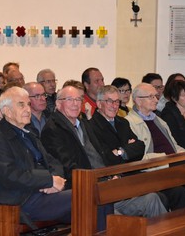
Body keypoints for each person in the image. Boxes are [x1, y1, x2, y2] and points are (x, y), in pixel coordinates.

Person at [41, 85, 167, 230]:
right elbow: (69, 166)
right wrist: (103, 179)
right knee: (119, 221)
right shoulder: (53, 130)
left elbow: (104, 155)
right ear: (58, 103)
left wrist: (112, 175)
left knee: (153, 199)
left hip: (107, 183)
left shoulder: (83, 125)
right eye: (70, 99)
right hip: (85, 191)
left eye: (78, 99)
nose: (76, 104)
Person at [0, 86, 71, 226]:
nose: (27, 109)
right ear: (7, 111)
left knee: (95, 197)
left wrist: (54, 182)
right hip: (21, 200)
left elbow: (52, 161)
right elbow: (9, 175)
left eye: (28, 104)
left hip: (42, 193)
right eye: (21, 105)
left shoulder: (28, 132)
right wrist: (48, 180)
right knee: (86, 196)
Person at [125, 83, 185, 207]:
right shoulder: (128, 123)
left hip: (172, 165)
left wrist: (184, 155)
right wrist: (167, 157)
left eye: (156, 96)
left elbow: (175, 146)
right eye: (151, 97)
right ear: (138, 100)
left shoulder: (159, 120)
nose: (156, 100)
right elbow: (138, 156)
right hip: (154, 170)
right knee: (179, 190)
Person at [88, 85, 145, 166]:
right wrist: (128, 149)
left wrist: (119, 152)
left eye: (117, 101)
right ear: (99, 104)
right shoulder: (91, 126)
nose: (114, 106)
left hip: (130, 171)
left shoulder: (123, 122)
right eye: (110, 101)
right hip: (110, 175)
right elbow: (106, 158)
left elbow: (140, 147)